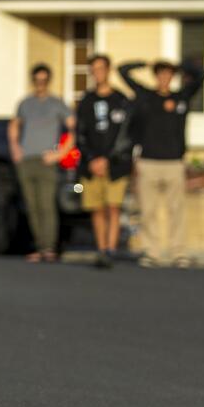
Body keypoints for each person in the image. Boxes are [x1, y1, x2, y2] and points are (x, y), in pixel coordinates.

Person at [118, 57, 204, 268]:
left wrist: (181, 65)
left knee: (176, 210)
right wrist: (145, 64)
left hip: (174, 162)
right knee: (148, 210)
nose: (164, 78)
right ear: (156, 76)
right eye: (161, 73)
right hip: (148, 161)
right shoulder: (146, 97)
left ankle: (178, 252)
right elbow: (122, 72)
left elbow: (202, 75)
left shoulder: (181, 97)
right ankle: (151, 252)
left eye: (168, 74)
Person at [7, 63, 74, 263]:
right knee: (31, 205)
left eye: (44, 80)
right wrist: (15, 148)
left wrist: (59, 153)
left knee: (47, 205)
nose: (40, 84)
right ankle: (38, 246)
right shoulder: (25, 103)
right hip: (27, 160)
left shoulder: (57, 103)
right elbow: (14, 126)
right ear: (33, 81)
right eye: (37, 80)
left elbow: (73, 130)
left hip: (47, 161)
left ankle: (49, 247)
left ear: (48, 81)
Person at [75, 54, 134, 269]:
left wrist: (109, 159)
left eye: (101, 68)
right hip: (92, 165)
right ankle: (100, 249)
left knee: (113, 206)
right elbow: (80, 134)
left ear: (108, 70)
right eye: (94, 69)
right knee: (97, 208)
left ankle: (111, 249)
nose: (97, 73)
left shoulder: (121, 100)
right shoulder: (86, 101)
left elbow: (127, 135)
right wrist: (92, 159)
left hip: (116, 165)